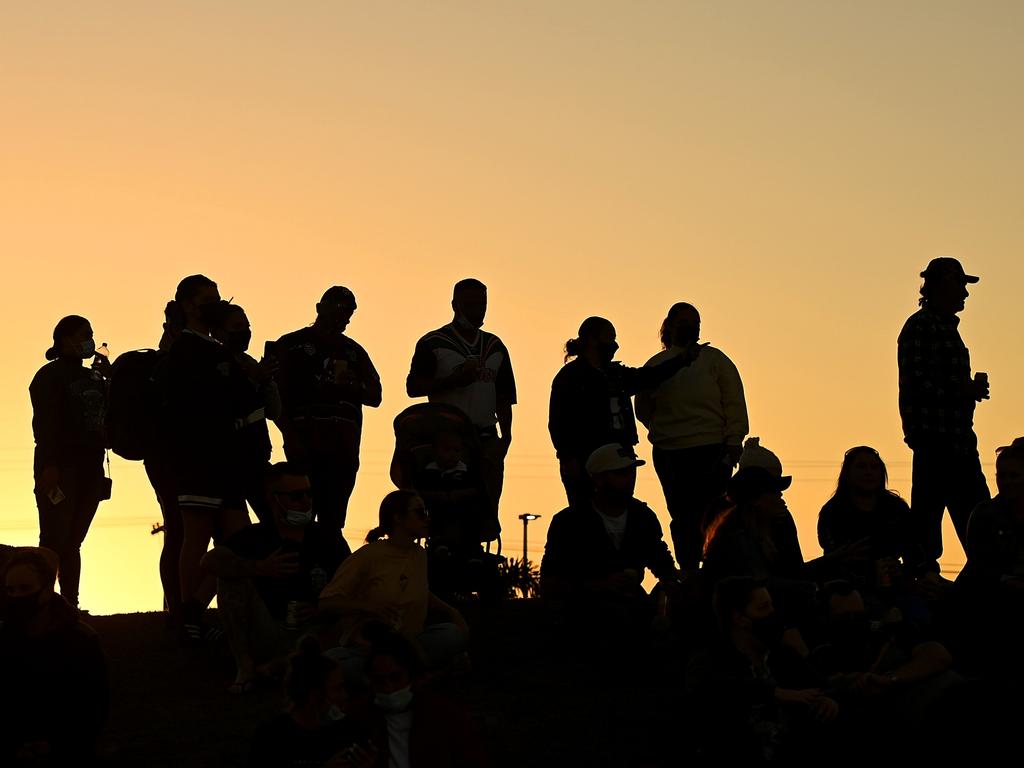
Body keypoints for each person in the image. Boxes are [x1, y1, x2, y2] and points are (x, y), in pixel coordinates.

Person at [202, 463, 350, 692]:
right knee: (230, 577)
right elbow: (209, 562)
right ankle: (246, 665)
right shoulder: (255, 536)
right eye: (296, 496)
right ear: (274, 499)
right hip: (267, 629)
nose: (306, 501)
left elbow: (352, 587)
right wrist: (259, 567)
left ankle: (281, 668)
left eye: (309, 493)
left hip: (316, 631)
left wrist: (319, 609)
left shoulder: (328, 537)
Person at [164, 275, 252, 641]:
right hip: (197, 458)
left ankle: (197, 608)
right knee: (195, 538)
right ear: (187, 304)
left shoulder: (215, 349)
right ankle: (190, 615)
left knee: (241, 541)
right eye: (207, 299)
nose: (214, 305)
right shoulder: (183, 348)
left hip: (226, 458)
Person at [635, 302, 748, 570]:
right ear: (670, 326)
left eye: (695, 322)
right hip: (670, 452)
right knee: (682, 515)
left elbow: (734, 401)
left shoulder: (715, 361)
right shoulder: (657, 365)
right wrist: (663, 431)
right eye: (684, 321)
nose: (691, 327)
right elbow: (643, 407)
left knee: (714, 512)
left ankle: (715, 565)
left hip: (712, 449)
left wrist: (734, 440)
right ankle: (688, 570)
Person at [898, 257, 991, 568]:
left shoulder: (942, 328)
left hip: (957, 443)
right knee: (932, 535)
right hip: (937, 445)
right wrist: (962, 390)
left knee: (981, 531)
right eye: (960, 285)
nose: (965, 293)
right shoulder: (921, 327)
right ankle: (926, 589)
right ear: (941, 286)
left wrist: (965, 390)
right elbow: (916, 383)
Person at [548, 316, 699, 507]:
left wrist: (681, 361)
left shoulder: (616, 374)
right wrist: (568, 458)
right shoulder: (568, 378)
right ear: (593, 340)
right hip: (584, 460)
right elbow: (558, 423)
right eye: (610, 338)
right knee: (586, 518)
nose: (615, 344)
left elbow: (647, 377)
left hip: (620, 457)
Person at [685, 579, 839, 763]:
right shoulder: (711, 658)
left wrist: (829, 702)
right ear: (739, 618)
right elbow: (706, 688)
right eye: (763, 607)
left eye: (771, 605)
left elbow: (821, 685)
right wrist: (772, 692)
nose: (772, 613)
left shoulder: (781, 654)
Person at [406, 278, 515, 532]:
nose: (478, 310)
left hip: (487, 437)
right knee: (446, 510)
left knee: (487, 509)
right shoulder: (433, 342)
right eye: (471, 304)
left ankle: (479, 559)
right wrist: (453, 380)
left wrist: (506, 438)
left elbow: (505, 396)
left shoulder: (495, 346)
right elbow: (413, 387)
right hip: (447, 440)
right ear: (455, 304)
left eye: (482, 304)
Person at [319, 491, 468, 672]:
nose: (427, 519)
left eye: (426, 512)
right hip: (371, 646)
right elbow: (327, 602)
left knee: (450, 634)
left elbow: (419, 590)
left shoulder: (419, 554)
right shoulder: (368, 556)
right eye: (419, 513)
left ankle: (399, 671)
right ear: (398, 518)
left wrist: (452, 612)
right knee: (338, 662)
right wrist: (370, 607)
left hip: (410, 641)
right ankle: (405, 672)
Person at [274, 286, 382, 535]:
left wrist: (352, 384)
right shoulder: (291, 345)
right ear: (319, 308)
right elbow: (273, 398)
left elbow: (375, 396)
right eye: (335, 308)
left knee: (332, 522)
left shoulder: (354, 352)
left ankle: (330, 567)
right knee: (299, 516)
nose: (341, 316)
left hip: (343, 450)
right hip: (305, 444)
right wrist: (290, 436)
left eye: (348, 312)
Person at [540, 443, 678, 637]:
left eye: (632, 472)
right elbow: (549, 583)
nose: (630, 479)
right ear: (598, 479)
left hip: (633, 607)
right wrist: (600, 585)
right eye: (621, 473)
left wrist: (671, 583)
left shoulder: (643, 516)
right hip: (584, 613)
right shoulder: (569, 522)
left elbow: (661, 561)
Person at [29, 314, 111, 609]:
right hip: (60, 469)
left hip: (91, 468)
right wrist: (49, 467)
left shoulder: (94, 378)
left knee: (73, 541)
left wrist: (107, 378)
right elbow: (45, 426)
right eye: (84, 334)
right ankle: (39, 600)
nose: (89, 340)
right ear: (65, 340)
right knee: (54, 538)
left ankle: (69, 602)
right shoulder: (48, 377)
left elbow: (107, 419)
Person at [0, 547, 108, 765]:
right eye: (11, 590)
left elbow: (93, 706)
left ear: (48, 590)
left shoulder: (81, 640)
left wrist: (57, 743)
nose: (18, 596)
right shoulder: (4, 639)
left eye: (25, 588)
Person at [361, 628, 490, 767]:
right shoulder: (362, 719)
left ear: (411, 674)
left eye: (395, 678)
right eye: (379, 680)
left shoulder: (444, 715)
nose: (388, 688)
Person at [817, 447, 931, 604]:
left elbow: (914, 552)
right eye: (861, 467)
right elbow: (831, 560)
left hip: (897, 587)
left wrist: (903, 572)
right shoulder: (833, 512)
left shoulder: (897, 508)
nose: (868, 472)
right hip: (849, 591)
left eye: (874, 467)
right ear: (847, 474)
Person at [248, 636, 372, 768]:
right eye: (337, 689)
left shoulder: (349, 731)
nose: (345, 695)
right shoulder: (271, 738)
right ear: (313, 696)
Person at [211, 301, 281, 524]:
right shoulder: (214, 364)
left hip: (257, 458)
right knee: (235, 529)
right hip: (228, 461)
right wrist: (253, 380)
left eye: (247, 326)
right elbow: (225, 407)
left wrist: (267, 381)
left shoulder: (249, 362)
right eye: (237, 327)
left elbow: (274, 412)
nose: (245, 333)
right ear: (220, 332)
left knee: (274, 520)